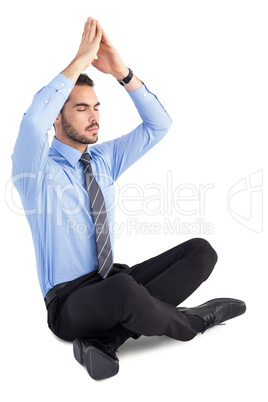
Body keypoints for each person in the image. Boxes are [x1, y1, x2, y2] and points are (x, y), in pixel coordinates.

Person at [11, 17, 246, 380]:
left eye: (96, 106)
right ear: (57, 119)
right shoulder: (36, 172)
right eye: (81, 108)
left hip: (112, 282)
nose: (95, 117)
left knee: (200, 251)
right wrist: (78, 60)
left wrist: (121, 72)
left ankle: (106, 341)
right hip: (68, 304)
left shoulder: (103, 159)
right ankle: (192, 322)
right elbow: (30, 124)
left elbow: (159, 126)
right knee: (124, 288)